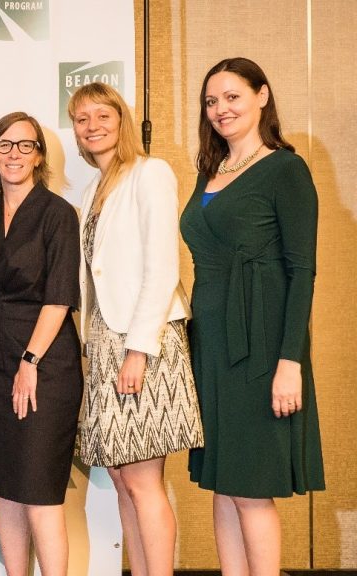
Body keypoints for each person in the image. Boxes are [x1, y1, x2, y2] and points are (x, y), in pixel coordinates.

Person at [182, 57, 324, 576]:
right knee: (223, 480)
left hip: (260, 346)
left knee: (250, 489)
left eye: (232, 97)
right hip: (211, 345)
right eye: (211, 101)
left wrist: (291, 362)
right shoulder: (210, 171)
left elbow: (302, 271)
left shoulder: (286, 169)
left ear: (262, 96)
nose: (221, 109)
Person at [69, 82, 204, 575]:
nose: (92, 126)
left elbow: (163, 267)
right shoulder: (91, 190)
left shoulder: (150, 173)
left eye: (102, 115)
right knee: (122, 478)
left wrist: (138, 350)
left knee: (144, 481)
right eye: (82, 119)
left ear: (121, 120)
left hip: (142, 342)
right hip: (104, 344)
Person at [0, 112, 82, 575]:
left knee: (38, 491)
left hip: (43, 365)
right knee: (4, 487)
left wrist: (29, 360)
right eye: (4, 145)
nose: (14, 154)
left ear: (39, 156)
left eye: (25, 145)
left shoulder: (58, 213)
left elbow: (59, 297)